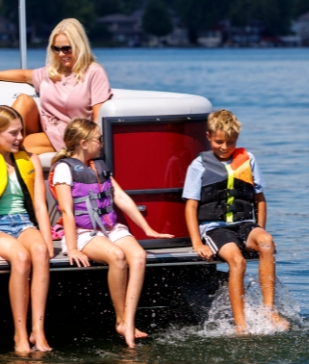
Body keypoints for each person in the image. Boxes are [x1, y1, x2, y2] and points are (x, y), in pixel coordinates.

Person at [50, 118, 174, 348]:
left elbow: (120, 197)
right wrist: (73, 249)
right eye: (98, 139)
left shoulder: (99, 165)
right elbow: (67, 212)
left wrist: (147, 229)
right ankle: (120, 320)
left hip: (109, 229)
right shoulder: (64, 169)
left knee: (138, 256)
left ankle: (129, 319)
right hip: (82, 233)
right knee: (117, 257)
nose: (102, 144)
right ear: (84, 143)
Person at [182, 109, 289, 334]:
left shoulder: (247, 160)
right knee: (237, 262)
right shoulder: (199, 165)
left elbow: (259, 199)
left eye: (230, 142)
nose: (224, 147)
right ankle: (241, 326)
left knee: (267, 242)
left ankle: (268, 310)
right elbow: (191, 207)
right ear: (209, 136)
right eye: (219, 141)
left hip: (244, 224)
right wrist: (197, 243)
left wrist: (260, 229)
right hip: (214, 228)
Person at [0, 105, 53, 354]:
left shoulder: (31, 159)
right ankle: (19, 335)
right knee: (20, 257)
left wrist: (48, 242)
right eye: (13, 133)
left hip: (24, 222)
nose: (20, 138)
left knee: (39, 251)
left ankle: (38, 331)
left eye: (21, 132)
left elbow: (40, 205)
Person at [0, 18, 112, 153]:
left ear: (79, 46)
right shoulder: (52, 71)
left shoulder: (94, 73)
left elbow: (99, 119)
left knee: (20, 143)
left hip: (71, 134)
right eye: (56, 49)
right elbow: (24, 75)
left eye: (66, 49)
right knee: (23, 100)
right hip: (45, 125)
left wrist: (92, 147)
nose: (61, 54)